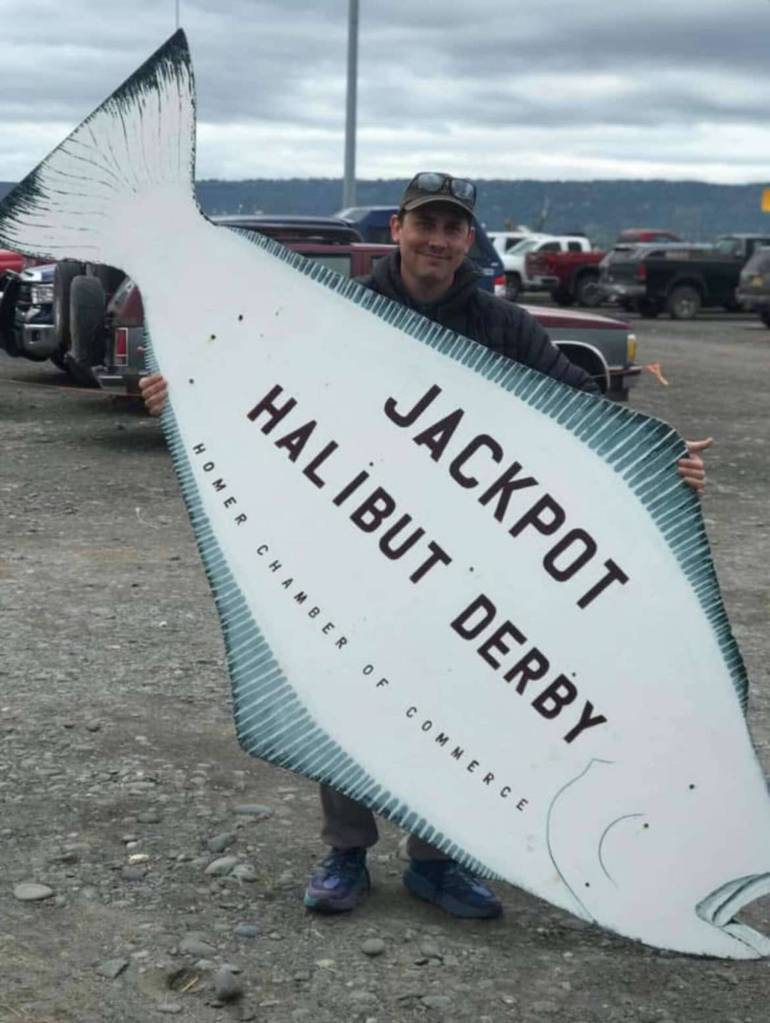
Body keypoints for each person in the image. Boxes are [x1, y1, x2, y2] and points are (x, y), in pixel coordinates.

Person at [140, 171, 711, 921]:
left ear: (468, 239)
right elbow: (263, 374)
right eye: (425, 224)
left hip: (472, 560)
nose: (438, 240)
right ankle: (346, 850)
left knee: (463, 695)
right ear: (400, 229)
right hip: (356, 539)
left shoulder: (504, 325)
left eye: (453, 228)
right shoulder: (346, 309)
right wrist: (185, 387)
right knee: (350, 686)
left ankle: (437, 860)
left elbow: (582, 409)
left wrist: (660, 466)